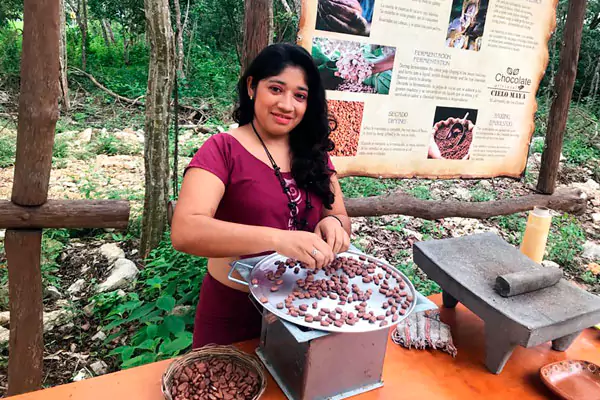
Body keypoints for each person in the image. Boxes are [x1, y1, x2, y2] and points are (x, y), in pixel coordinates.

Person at [171, 43, 352, 348]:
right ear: (253, 87)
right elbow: (185, 230)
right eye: (276, 89)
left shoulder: (313, 151)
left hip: (305, 309)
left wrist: (335, 226)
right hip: (234, 311)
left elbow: (338, 216)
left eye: (300, 96)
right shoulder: (222, 149)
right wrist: (277, 239)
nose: (286, 105)